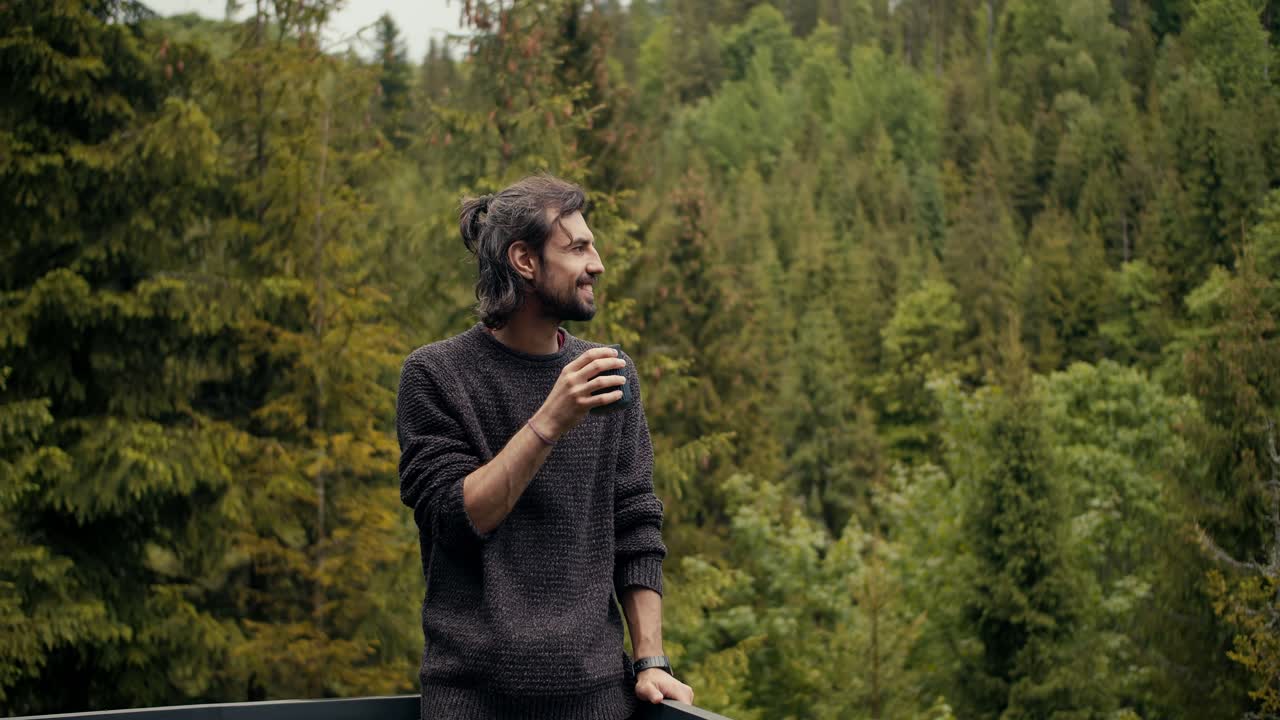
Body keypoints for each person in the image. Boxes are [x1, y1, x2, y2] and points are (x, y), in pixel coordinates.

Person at [396, 174, 694, 720]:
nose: (597, 263)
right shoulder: (435, 375)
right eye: (578, 247)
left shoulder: (609, 371)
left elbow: (636, 525)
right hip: (471, 702)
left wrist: (652, 660)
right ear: (525, 261)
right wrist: (553, 416)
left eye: (593, 245)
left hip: (598, 700)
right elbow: (458, 518)